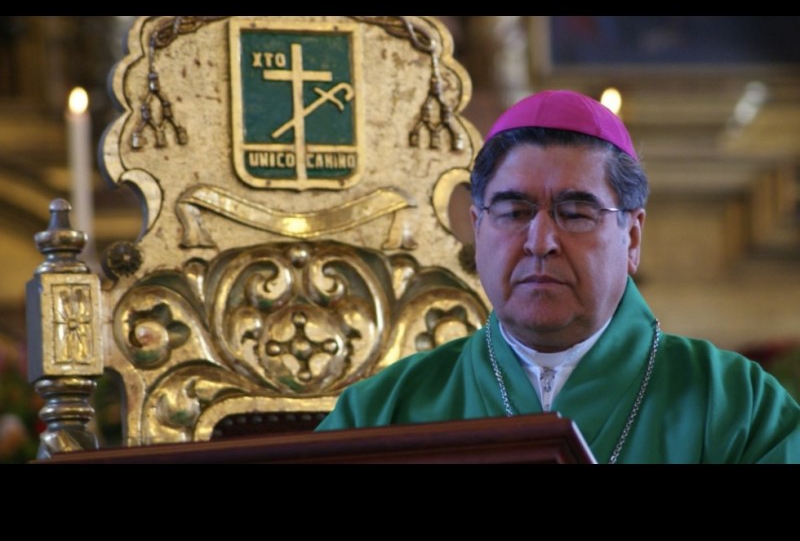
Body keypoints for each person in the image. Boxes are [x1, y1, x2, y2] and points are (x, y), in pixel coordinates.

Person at [316, 89, 800, 464]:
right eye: (514, 211)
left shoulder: (734, 404)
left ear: (632, 237)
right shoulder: (385, 411)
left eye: (575, 213)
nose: (540, 240)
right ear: (478, 229)